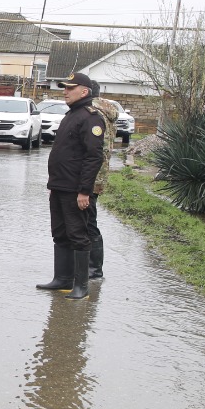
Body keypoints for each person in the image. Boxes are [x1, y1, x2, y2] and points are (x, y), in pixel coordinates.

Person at [36, 72, 105, 300]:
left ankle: (81, 286)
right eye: (64, 87)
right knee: (60, 234)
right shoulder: (72, 115)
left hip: (76, 189)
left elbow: (93, 157)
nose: (65, 91)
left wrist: (85, 190)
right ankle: (62, 279)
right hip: (59, 185)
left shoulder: (91, 118)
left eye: (70, 88)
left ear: (84, 91)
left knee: (78, 234)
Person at [88, 95, 121, 280]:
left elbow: (96, 152)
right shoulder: (107, 113)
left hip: (91, 178)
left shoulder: (95, 115)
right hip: (98, 177)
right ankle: (92, 267)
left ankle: (94, 269)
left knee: (89, 223)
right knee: (89, 221)